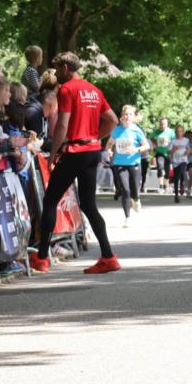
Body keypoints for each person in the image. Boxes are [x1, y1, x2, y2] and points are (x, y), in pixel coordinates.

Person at [28, 51, 119, 274]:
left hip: (75, 151)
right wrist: (95, 136)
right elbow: (113, 120)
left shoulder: (67, 89)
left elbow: (62, 125)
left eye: (57, 69)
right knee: (88, 204)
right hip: (93, 151)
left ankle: (42, 258)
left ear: (66, 68)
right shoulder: (94, 90)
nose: (56, 74)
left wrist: (53, 154)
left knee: (50, 200)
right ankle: (108, 256)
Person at [105, 105, 150, 226]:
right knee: (125, 190)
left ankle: (136, 199)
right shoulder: (117, 130)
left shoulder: (137, 130)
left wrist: (135, 150)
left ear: (133, 117)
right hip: (119, 163)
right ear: (122, 116)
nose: (128, 116)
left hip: (134, 163)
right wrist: (108, 150)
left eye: (130, 114)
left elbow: (146, 146)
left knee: (134, 190)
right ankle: (127, 217)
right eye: (126, 114)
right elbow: (109, 143)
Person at [150, 117, 175, 193]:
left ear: (167, 124)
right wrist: (154, 144)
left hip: (168, 153)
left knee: (167, 171)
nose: (162, 125)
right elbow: (151, 137)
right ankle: (160, 186)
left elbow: (174, 142)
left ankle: (165, 185)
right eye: (161, 124)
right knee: (160, 167)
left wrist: (169, 143)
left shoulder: (171, 132)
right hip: (159, 152)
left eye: (164, 124)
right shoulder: (156, 132)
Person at [169, 124, 191, 203]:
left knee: (182, 171)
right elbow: (169, 152)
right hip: (175, 161)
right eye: (177, 131)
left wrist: (186, 153)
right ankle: (176, 194)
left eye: (181, 131)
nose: (179, 133)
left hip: (183, 160)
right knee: (176, 177)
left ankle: (182, 184)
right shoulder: (173, 141)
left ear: (183, 132)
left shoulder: (186, 140)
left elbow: (189, 149)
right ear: (175, 132)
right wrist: (174, 149)